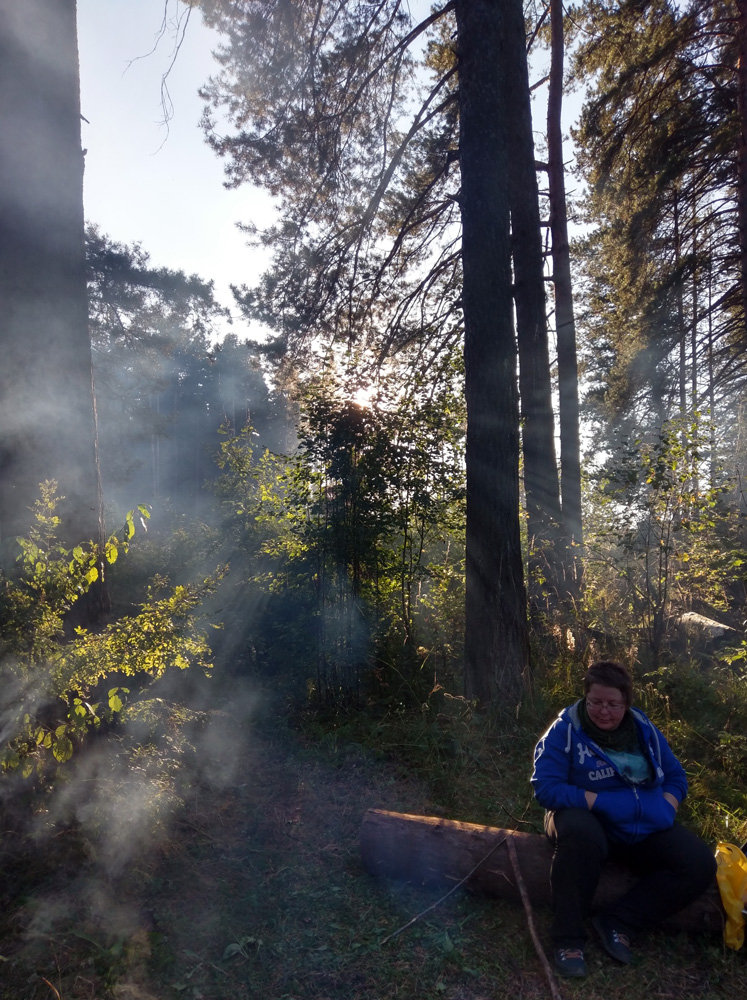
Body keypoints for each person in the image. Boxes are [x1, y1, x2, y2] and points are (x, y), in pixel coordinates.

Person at [531, 660, 716, 978]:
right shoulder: (566, 730)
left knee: (698, 862)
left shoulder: (644, 730)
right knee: (580, 832)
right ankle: (568, 939)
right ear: (586, 697)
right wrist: (597, 801)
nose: (604, 711)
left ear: (626, 702)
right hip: (586, 822)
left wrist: (667, 807)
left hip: (640, 826)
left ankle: (619, 921)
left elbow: (675, 777)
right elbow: (546, 788)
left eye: (613, 704)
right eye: (596, 702)